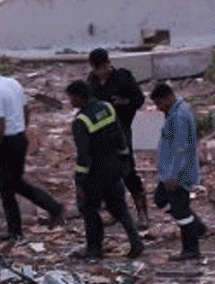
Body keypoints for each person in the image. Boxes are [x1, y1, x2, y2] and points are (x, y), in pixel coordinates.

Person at [65, 80, 144, 260]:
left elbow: (84, 156)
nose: (70, 102)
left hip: (95, 173)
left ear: (79, 97)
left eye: (71, 98)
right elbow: (120, 135)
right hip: (114, 166)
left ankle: (94, 249)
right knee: (119, 208)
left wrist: (79, 181)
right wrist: (125, 159)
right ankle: (136, 242)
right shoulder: (107, 108)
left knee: (89, 209)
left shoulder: (81, 121)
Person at [0, 71, 65, 243]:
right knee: (11, 184)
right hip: (18, 138)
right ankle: (16, 230)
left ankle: (51, 208)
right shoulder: (12, 83)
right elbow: (25, 109)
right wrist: (22, 129)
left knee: (9, 186)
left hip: (6, 141)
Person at [87, 48, 149, 228]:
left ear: (108, 63)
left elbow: (139, 99)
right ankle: (114, 211)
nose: (101, 71)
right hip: (100, 135)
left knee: (128, 171)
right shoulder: (92, 82)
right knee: (105, 175)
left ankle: (142, 213)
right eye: (97, 68)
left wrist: (124, 102)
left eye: (104, 67)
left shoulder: (122, 77)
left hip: (121, 131)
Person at [150, 82, 207, 261]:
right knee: (161, 199)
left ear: (168, 97)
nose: (158, 108)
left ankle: (191, 249)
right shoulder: (176, 112)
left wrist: (173, 175)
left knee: (181, 211)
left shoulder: (179, 117)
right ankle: (197, 226)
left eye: (160, 104)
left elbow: (181, 148)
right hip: (170, 171)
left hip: (178, 173)